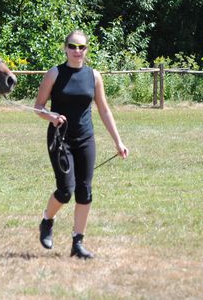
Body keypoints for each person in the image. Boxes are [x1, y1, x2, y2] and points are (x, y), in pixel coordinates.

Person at [34, 30, 129, 259]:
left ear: (86, 50)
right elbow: (38, 106)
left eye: (82, 47)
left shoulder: (94, 76)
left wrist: (118, 141)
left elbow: (104, 109)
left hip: (85, 138)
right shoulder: (54, 74)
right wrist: (52, 117)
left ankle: (78, 243)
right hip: (60, 138)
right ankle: (47, 221)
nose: (77, 51)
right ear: (65, 48)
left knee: (84, 190)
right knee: (66, 190)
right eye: (73, 46)